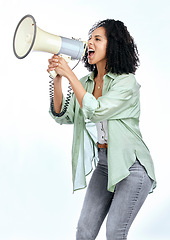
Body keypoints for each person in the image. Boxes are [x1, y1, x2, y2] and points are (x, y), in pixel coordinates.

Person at [47, 19, 156, 240]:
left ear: (113, 46)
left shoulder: (126, 83)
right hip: (105, 164)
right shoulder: (86, 83)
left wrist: (69, 74)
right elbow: (64, 116)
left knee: (115, 233)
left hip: (132, 166)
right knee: (84, 233)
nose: (90, 43)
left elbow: (96, 110)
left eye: (98, 39)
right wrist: (58, 79)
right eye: (90, 38)